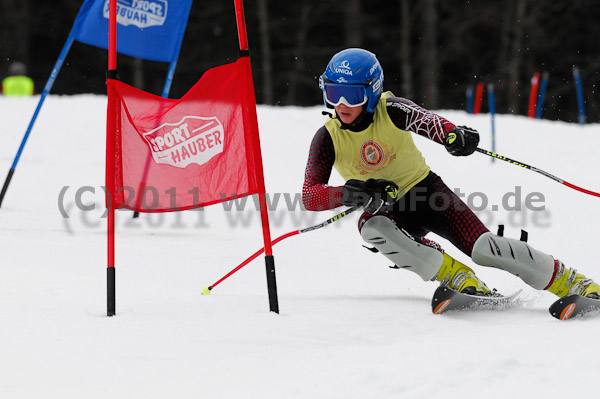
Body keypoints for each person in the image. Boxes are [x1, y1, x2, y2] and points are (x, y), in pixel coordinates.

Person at [301, 48, 599, 299]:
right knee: (372, 228)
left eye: (351, 96)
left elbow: (426, 120)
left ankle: (573, 283)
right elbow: (310, 196)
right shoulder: (327, 137)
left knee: (485, 249)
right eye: (333, 93)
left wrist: (453, 135)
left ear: (371, 91)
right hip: (385, 210)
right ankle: (458, 279)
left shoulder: (391, 110)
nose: (341, 105)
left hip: (428, 194)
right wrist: (349, 193)